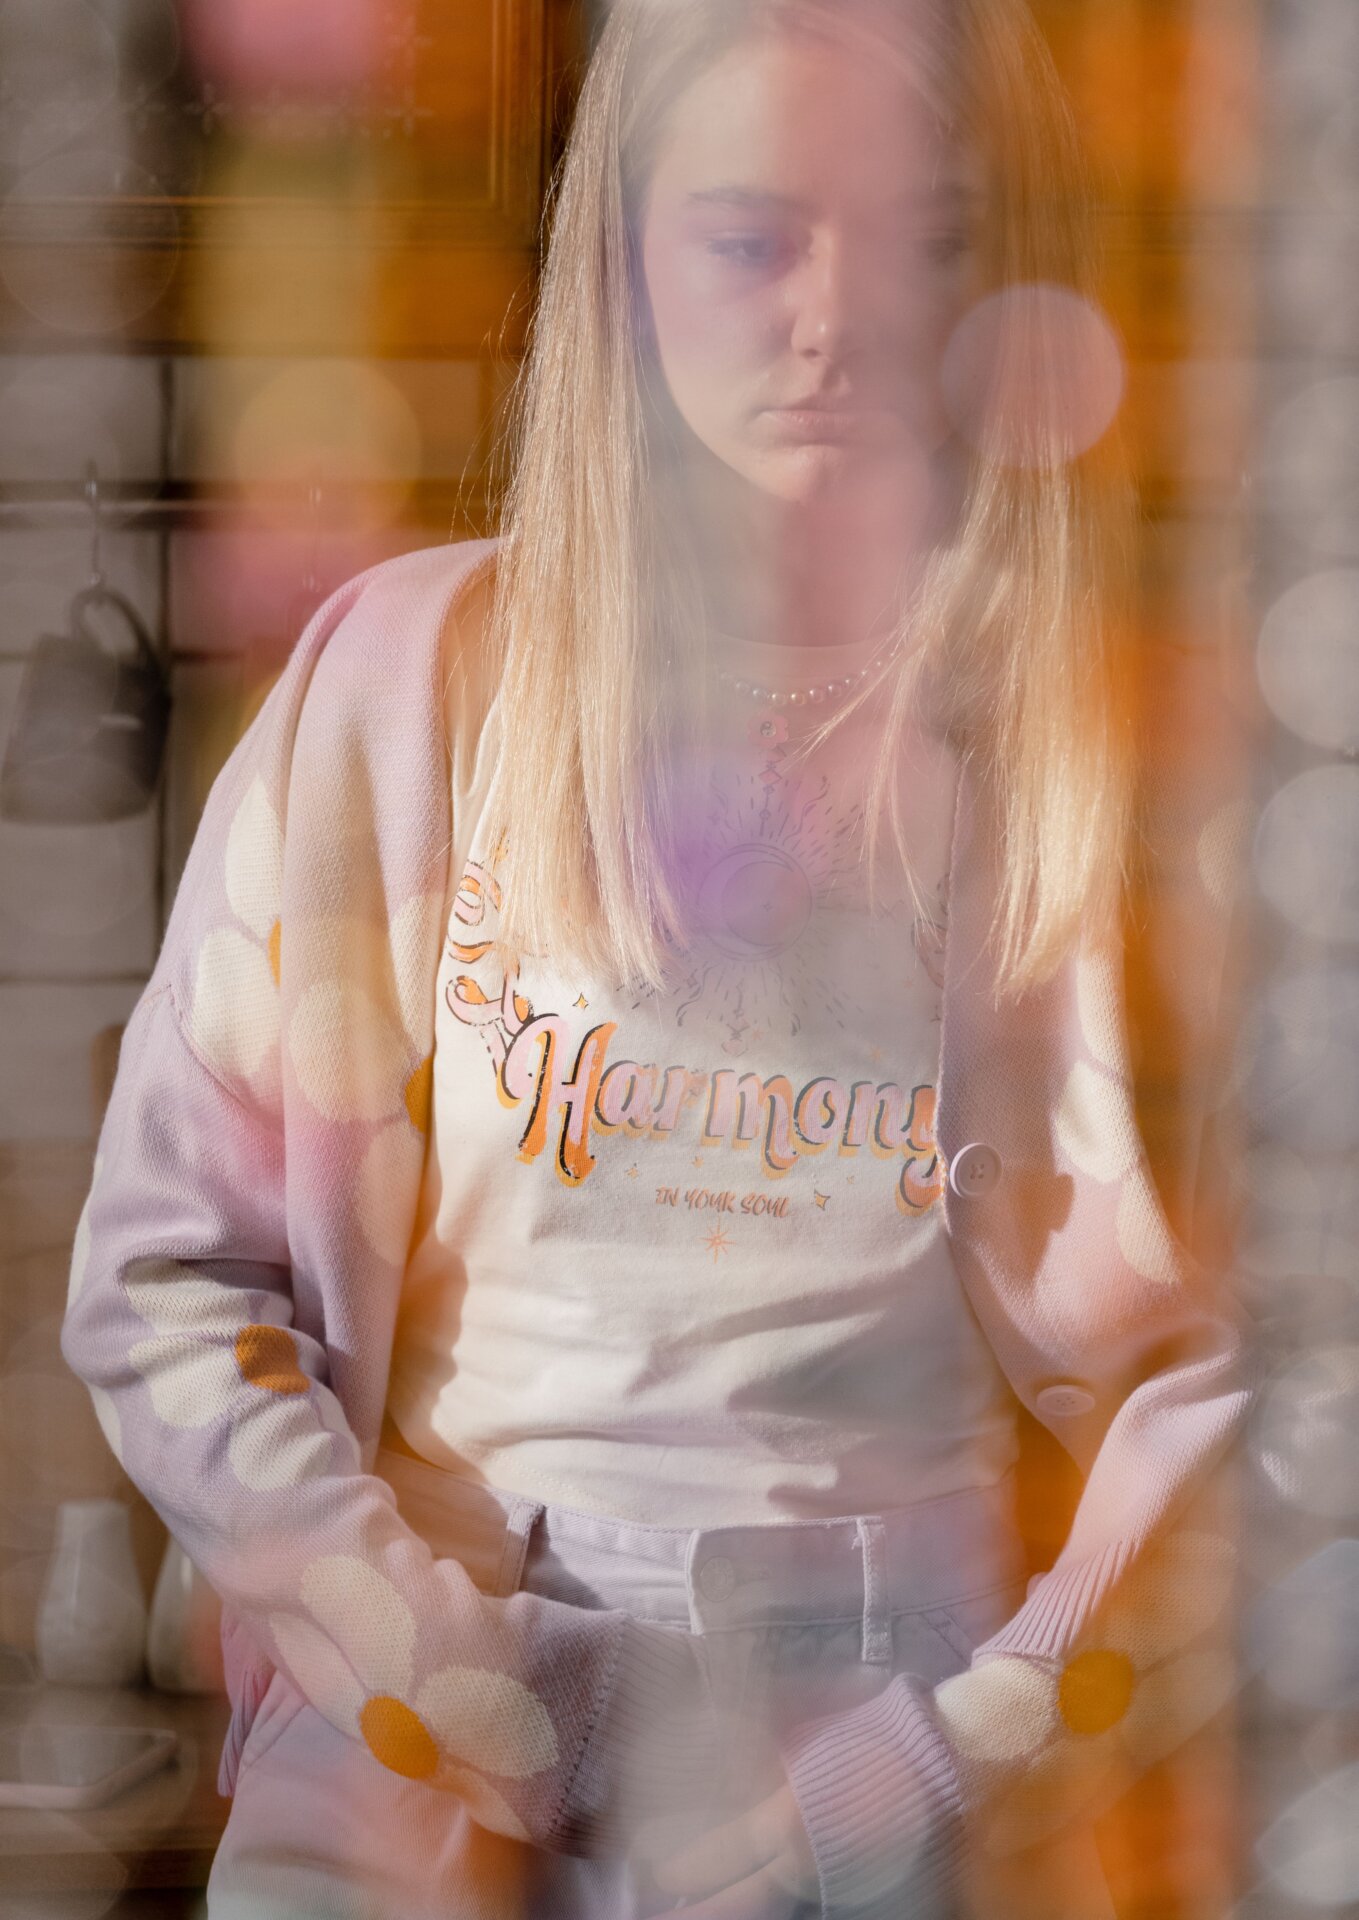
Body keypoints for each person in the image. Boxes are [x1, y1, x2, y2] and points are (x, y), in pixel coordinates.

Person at [60, 1, 1256, 1915]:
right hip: (409, 1736)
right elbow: (167, 1287)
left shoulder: (1110, 765)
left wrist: (939, 1756)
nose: (837, 318)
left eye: (929, 236)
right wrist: (493, 1693)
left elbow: (1251, 1388)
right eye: (751, 236)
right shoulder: (405, 688)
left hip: (931, 1736)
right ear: (618, 258)